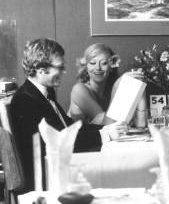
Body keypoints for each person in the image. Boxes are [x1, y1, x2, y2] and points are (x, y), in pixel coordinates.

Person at [10, 38, 127, 192]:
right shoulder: (25, 101)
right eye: (59, 67)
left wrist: (106, 129)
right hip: (47, 180)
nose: (64, 72)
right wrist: (105, 135)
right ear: (40, 68)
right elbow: (60, 143)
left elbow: (70, 128)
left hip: (58, 168)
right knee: (120, 173)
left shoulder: (42, 93)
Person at [67, 43, 120, 124]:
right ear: (86, 67)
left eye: (104, 63)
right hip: (79, 137)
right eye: (92, 63)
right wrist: (119, 83)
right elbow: (107, 124)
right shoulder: (79, 90)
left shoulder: (110, 91)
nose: (98, 68)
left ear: (111, 67)